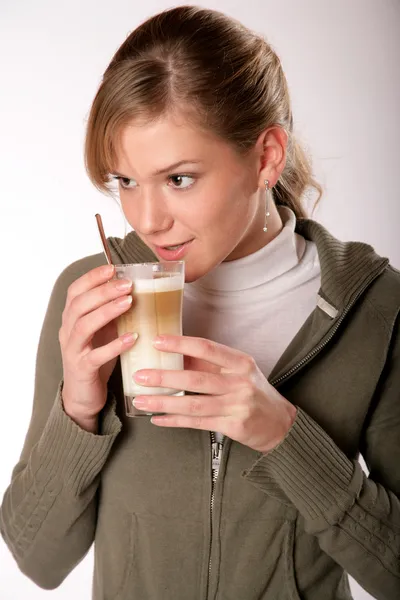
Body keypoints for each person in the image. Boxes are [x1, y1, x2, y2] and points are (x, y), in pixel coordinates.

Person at [1, 5, 399, 600]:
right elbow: (37, 561)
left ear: (266, 157)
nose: (147, 219)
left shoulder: (375, 307)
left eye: (179, 179)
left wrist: (286, 437)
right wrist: (78, 410)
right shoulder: (91, 293)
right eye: (126, 182)